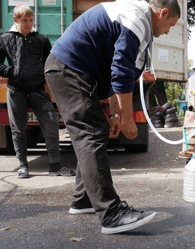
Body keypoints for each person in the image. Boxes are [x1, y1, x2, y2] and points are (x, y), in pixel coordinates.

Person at [44, 0, 180, 234]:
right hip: (69, 67)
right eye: (171, 24)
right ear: (162, 12)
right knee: (92, 133)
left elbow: (116, 73)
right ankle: (111, 212)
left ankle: (84, 199)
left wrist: (116, 113)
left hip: (74, 69)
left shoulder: (138, 22)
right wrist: (128, 118)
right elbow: (121, 71)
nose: (168, 30)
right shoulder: (135, 18)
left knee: (94, 132)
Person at [0, 5, 75, 179]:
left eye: (30, 20)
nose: (28, 24)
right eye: (24, 20)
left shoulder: (41, 39)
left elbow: (51, 63)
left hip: (39, 91)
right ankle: (23, 167)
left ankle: (55, 166)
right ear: (16, 20)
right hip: (16, 91)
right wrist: (11, 72)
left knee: (51, 125)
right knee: (18, 130)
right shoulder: (5, 39)